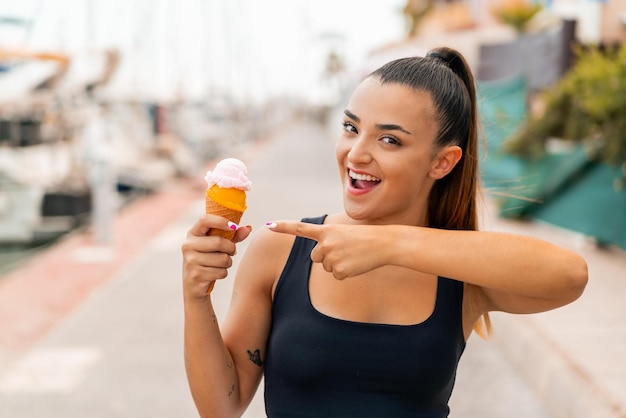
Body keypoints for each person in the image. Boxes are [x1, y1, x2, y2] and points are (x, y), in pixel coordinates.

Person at [181, 46, 588, 418]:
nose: (356, 153)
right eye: (350, 127)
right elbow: (221, 406)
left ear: (442, 163)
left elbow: (570, 275)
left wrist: (387, 243)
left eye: (389, 139)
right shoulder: (282, 249)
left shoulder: (462, 273)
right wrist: (195, 296)